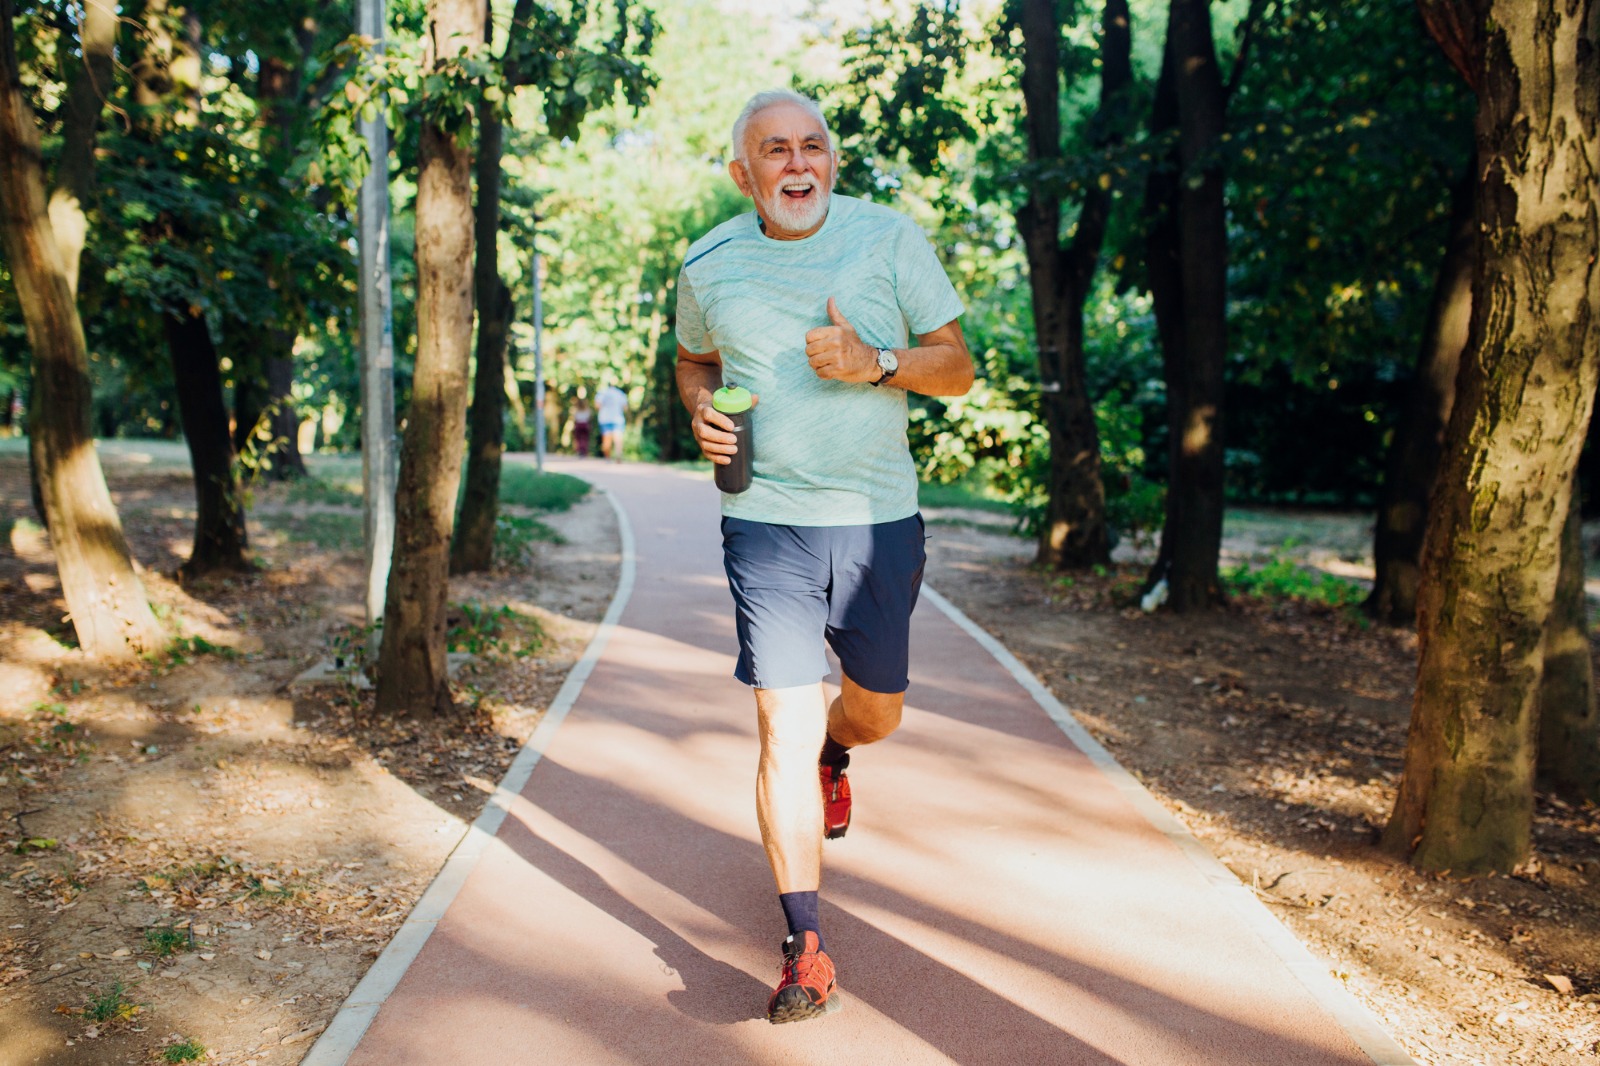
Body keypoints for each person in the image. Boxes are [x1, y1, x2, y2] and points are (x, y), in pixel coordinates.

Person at [674, 88, 973, 1025]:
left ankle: (841, 753)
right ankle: (805, 946)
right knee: (779, 730)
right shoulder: (708, 261)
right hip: (765, 522)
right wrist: (700, 410)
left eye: (812, 147)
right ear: (743, 174)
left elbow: (958, 369)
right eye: (775, 150)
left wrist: (876, 361)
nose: (797, 164)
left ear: (831, 162)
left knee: (873, 712)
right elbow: (691, 360)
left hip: (880, 520)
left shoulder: (888, 240)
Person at [595, 381, 628, 461]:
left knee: (607, 439)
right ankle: (618, 454)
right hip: (617, 418)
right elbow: (625, 408)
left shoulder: (602, 393)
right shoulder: (620, 394)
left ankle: (607, 458)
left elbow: (597, 406)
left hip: (605, 419)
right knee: (618, 438)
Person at [571, 393, 592, 458]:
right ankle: (583, 451)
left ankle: (580, 450)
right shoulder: (587, 410)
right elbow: (589, 417)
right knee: (584, 438)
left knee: (579, 438)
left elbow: (575, 417)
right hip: (585, 424)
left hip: (579, 424)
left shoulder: (576, 410)